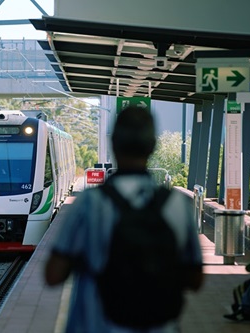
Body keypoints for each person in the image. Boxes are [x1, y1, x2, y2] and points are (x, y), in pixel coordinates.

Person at [44, 106, 204, 332]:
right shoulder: (177, 205)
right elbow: (196, 280)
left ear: (114, 145)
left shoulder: (89, 204)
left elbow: (53, 275)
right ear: (152, 147)